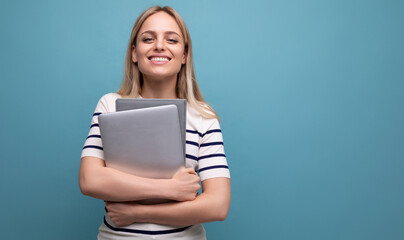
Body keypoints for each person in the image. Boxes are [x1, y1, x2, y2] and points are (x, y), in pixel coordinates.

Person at [79, 5, 231, 240]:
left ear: (184, 55)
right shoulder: (110, 105)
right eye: (148, 38)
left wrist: (138, 212)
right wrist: (170, 189)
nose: (159, 45)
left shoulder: (204, 116)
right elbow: (90, 180)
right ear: (134, 52)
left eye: (172, 39)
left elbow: (218, 205)